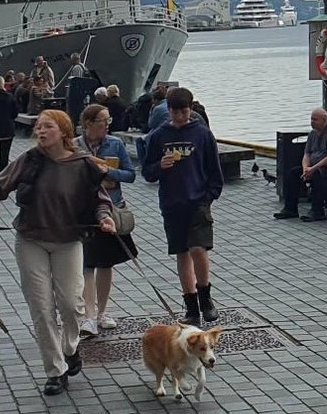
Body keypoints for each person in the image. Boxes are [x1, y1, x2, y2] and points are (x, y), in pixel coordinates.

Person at [0, 109, 116, 395]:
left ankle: (70, 349)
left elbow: (100, 199)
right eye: (39, 128)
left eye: (47, 127)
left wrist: (105, 217)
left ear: (64, 132)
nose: (41, 132)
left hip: (68, 241)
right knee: (42, 309)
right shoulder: (30, 159)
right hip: (30, 239)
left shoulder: (83, 164)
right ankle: (55, 370)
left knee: (71, 305)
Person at [141, 87, 223, 326]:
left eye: (184, 112)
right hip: (172, 202)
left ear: (191, 109)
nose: (180, 117)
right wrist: (159, 166)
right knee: (182, 252)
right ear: (168, 111)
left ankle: (205, 296)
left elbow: (213, 170)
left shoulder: (202, 134)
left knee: (199, 249)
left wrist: (209, 196)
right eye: (176, 112)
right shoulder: (158, 136)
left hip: (197, 200)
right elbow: (147, 171)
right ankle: (190, 304)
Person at [76, 104, 137, 337]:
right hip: (84, 212)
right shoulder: (74, 146)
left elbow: (130, 175)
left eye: (108, 119)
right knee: (86, 265)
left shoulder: (116, 144)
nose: (107, 123)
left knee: (106, 263)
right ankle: (88, 316)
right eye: (103, 120)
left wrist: (108, 172)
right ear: (89, 123)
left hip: (112, 208)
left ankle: (102, 312)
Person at [297, 108, 327, 223]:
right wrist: (305, 168)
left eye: (315, 120)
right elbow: (307, 153)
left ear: (324, 120)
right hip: (315, 166)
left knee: (317, 175)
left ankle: (317, 211)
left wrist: (312, 169)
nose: (312, 122)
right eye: (311, 119)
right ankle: (290, 208)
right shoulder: (312, 134)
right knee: (293, 173)